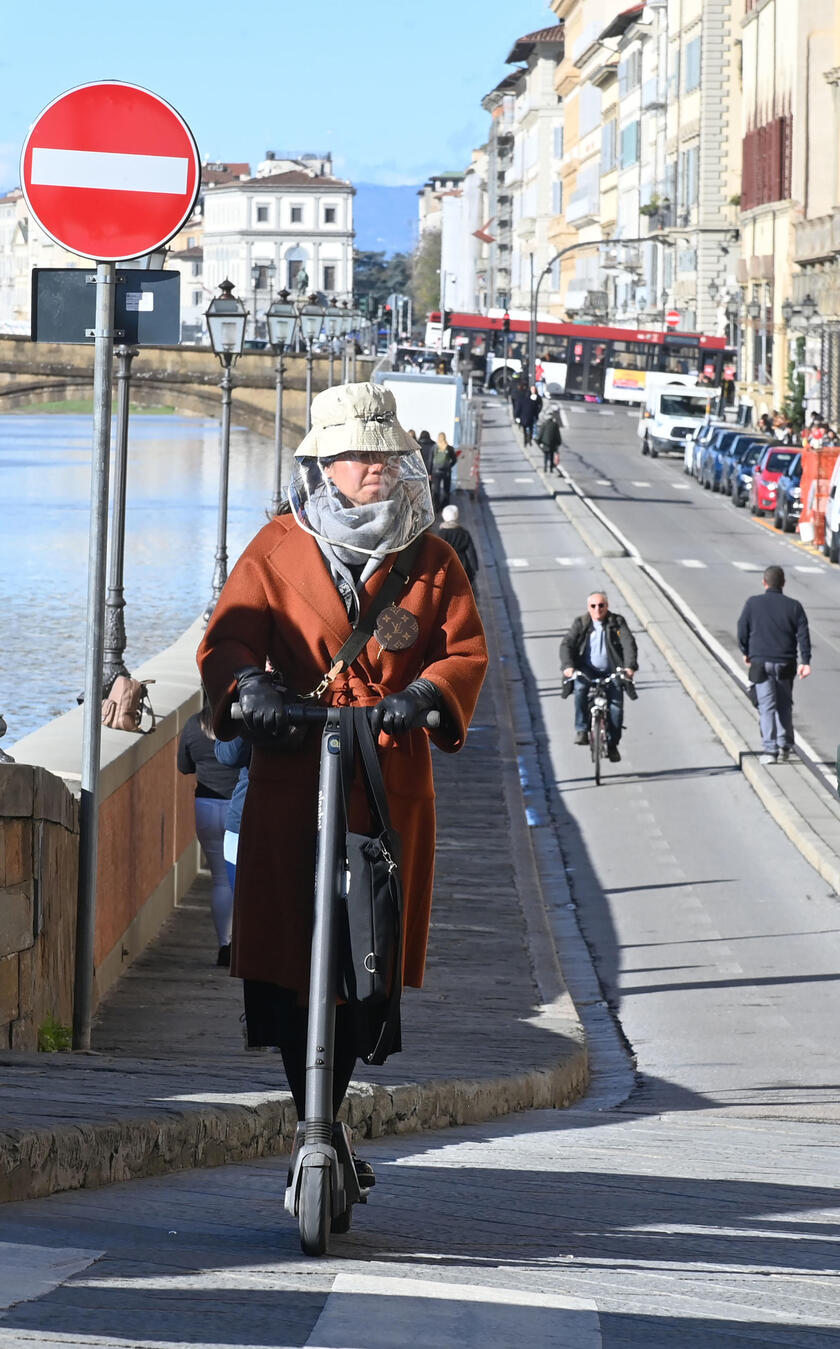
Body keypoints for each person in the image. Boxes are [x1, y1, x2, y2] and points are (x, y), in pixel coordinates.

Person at [198, 381, 487, 1146]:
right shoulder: (275, 547)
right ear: (324, 461)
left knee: (370, 956)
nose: (377, 465)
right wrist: (248, 684)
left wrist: (425, 691)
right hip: (296, 768)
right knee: (290, 955)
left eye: (386, 452)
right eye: (361, 453)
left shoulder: (430, 557)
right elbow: (228, 637)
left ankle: (332, 1100)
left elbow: (464, 649)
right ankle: (311, 1120)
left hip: (388, 778)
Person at [177, 697, 241, 966]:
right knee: (240, 880)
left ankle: (224, 945)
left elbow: (184, 766)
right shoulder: (240, 725)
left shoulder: (193, 725)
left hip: (205, 806)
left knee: (220, 880)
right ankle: (241, 945)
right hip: (238, 809)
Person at [736, 564, 811, 764]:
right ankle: (785, 745)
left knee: (767, 706)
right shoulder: (794, 606)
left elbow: (742, 629)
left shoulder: (753, 603)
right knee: (785, 704)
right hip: (786, 662)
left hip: (760, 662)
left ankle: (770, 751)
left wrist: (746, 652)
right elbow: (803, 634)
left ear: (764, 583)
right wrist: (806, 660)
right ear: (783, 583)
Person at [559, 592, 638, 763]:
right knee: (580, 688)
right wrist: (568, 667)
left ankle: (612, 745)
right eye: (593, 606)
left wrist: (629, 667)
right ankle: (581, 730)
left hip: (612, 669)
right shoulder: (581, 623)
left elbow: (628, 643)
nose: (597, 609)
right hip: (587, 669)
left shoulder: (617, 622)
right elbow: (567, 644)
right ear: (588, 608)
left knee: (616, 708)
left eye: (601, 605)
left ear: (607, 606)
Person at [438, 503, 479, 596]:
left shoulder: (442, 533)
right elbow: (471, 552)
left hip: (448, 565)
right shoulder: (464, 532)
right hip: (463, 564)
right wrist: (474, 567)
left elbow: (439, 552)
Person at [431, 432, 458, 510]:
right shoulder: (449, 448)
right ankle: (445, 506)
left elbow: (430, 460)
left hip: (436, 471)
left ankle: (436, 506)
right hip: (446, 472)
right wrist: (449, 466)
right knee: (446, 489)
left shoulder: (434, 447)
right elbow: (454, 460)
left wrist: (429, 472)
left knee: (436, 490)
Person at [536, 408, 562, 474]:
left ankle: (545, 467)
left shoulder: (544, 424)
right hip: (552, 443)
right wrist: (558, 442)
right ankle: (551, 469)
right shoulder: (555, 425)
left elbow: (540, 434)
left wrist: (539, 442)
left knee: (545, 455)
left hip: (545, 443)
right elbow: (557, 435)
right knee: (551, 455)